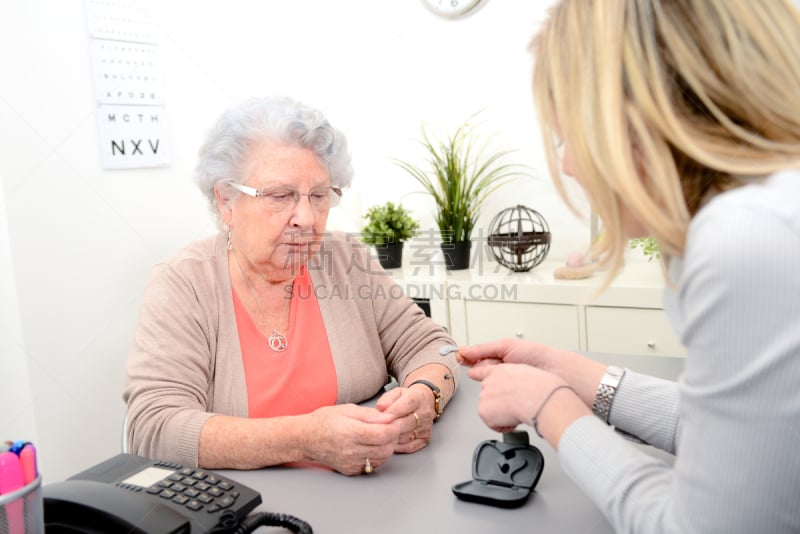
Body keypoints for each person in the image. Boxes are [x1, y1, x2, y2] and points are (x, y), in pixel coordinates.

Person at [459, 1, 800, 532]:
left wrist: (549, 407)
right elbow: (742, 437)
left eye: (568, 134)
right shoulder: (772, 211)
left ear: (632, 115)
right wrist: (570, 373)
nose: (569, 164)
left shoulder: (745, 240)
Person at [123, 95, 459, 476]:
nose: (306, 217)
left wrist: (424, 394)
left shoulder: (344, 258)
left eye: (319, 196)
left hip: (370, 495)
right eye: (280, 196)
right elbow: (153, 429)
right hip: (243, 509)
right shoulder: (183, 282)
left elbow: (432, 344)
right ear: (226, 200)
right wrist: (304, 438)